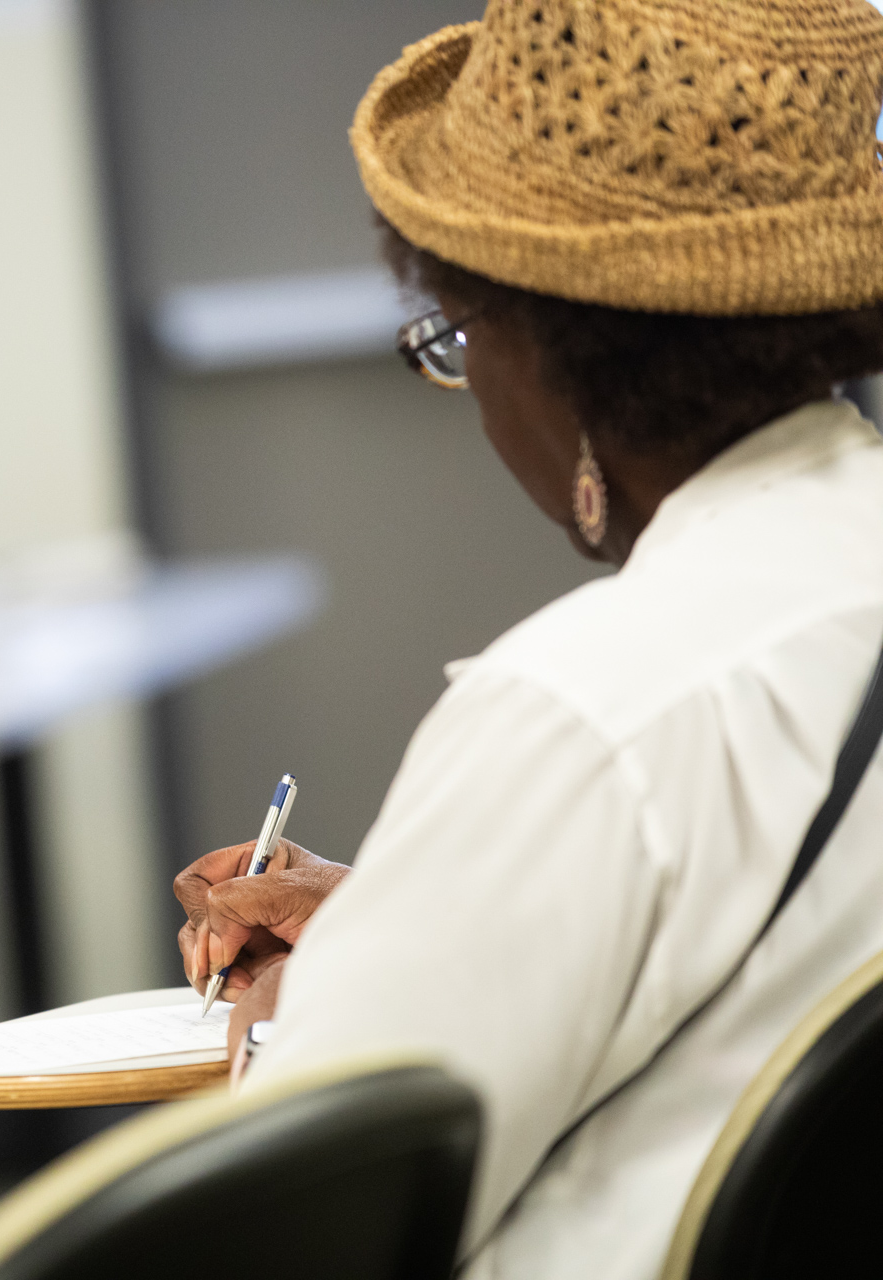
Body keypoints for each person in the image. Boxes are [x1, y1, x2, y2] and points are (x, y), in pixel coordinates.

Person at [173, 2, 883, 1275]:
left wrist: (284, 1020)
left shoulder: (585, 713)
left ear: (550, 340)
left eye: (455, 332)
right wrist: (410, 915)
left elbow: (304, 1225)